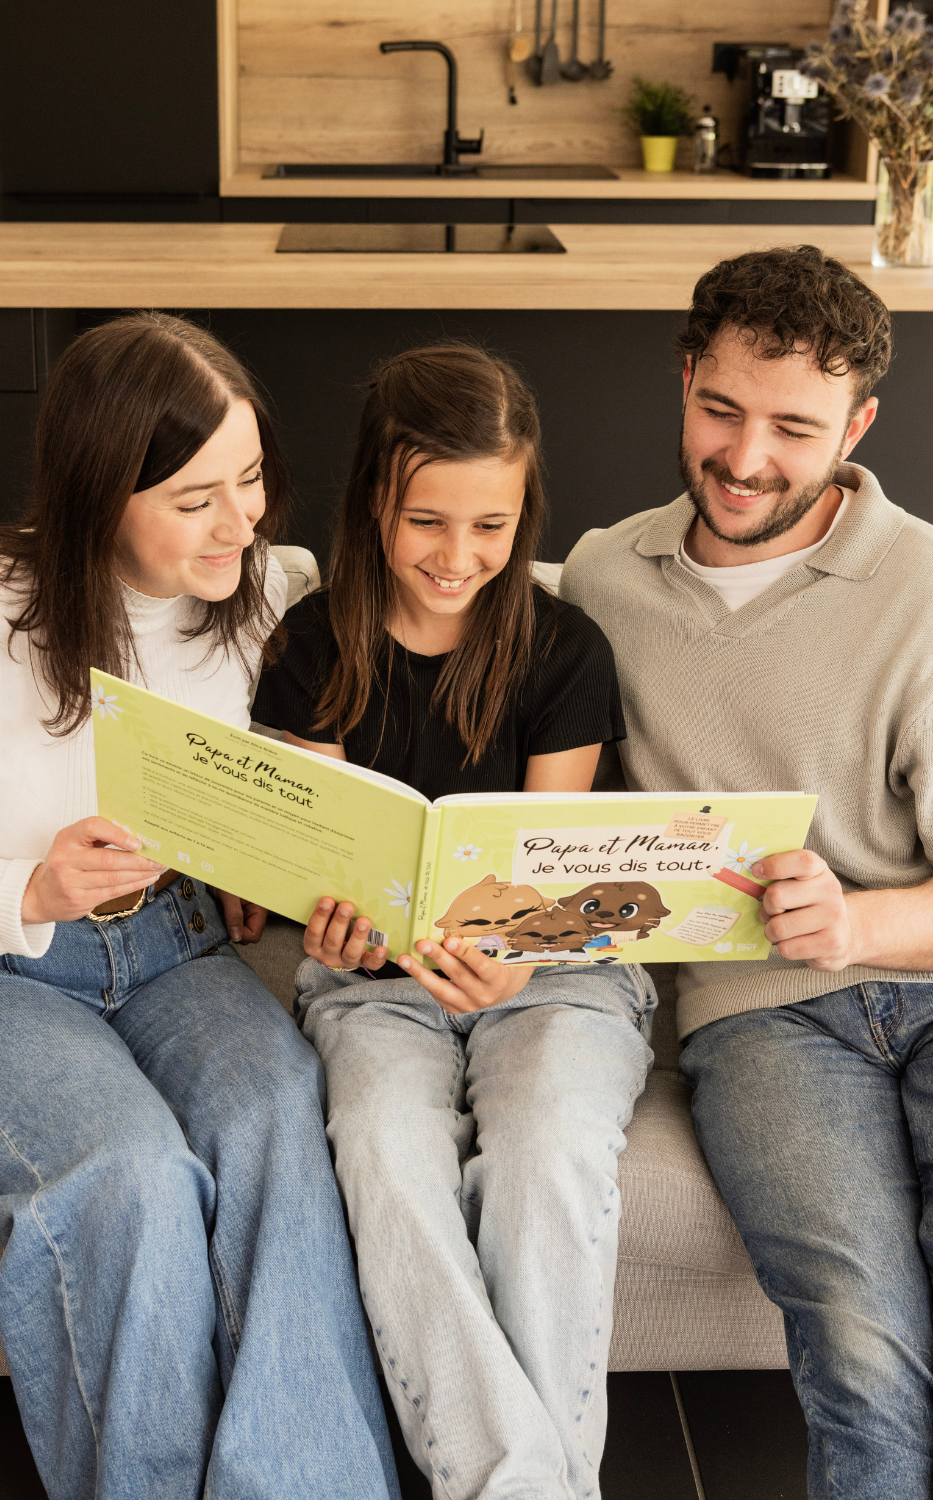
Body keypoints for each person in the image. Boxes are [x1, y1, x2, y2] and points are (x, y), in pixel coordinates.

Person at [0, 312, 400, 1500]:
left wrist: (297, 873)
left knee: (279, 1117)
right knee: (131, 1172)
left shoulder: (272, 589)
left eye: (250, 479)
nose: (241, 522)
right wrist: (25, 884)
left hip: (176, 947)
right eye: (197, 498)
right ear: (101, 496)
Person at [561, 243, 933, 1499]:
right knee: (857, 1329)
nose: (744, 456)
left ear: (858, 425)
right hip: (757, 1019)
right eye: (719, 408)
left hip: (921, 972)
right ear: (682, 381)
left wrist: (862, 918)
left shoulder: (925, 587)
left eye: (792, 427)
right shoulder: (606, 579)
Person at [253, 345, 657, 1500]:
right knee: (384, 1155)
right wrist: (329, 922)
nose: (458, 559)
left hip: (550, 972)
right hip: (373, 976)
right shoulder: (312, 645)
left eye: (492, 526)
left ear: (526, 510)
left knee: (545, 1151)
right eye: (426, 521)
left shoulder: (563, 647)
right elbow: (316, 856)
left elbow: (542, 859)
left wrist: (510, 960)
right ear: (371, 502)